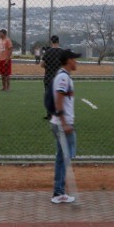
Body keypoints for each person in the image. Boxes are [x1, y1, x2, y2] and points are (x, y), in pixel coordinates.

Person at [49, 49, 79, 204]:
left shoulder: (64, 76)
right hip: (62, 124)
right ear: (68, 60)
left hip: (61, 123)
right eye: (74, 59)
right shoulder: (63, 78)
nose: (76, 62)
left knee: (64, 156)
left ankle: (59, 190)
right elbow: (59, 101)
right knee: (64, 157)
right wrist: (65, 123)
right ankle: (58, 192)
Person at [40, 34, 63, 119]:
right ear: (58, 41)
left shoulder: (48, 52)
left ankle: (50, 114)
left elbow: (42, 65)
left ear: (51, 42)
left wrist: (48, 65)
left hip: (49, 76)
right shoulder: (62, 52)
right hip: (59, 77)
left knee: (49, 95)